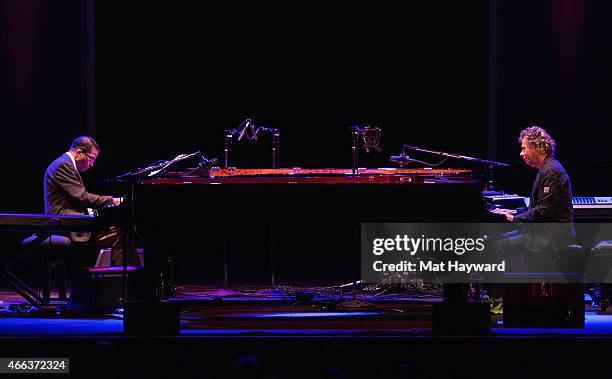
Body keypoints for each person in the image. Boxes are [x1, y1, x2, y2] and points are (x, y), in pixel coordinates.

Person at [485, 126, 574, 303]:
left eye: (524, 148)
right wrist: (514, 212)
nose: (521, 153)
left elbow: (545, 209)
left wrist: (516, 218)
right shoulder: (546, 169)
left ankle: (499, 299)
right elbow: (539, 207)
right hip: (542, 231)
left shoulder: (552, 172)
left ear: (537, 148)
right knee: (493, 241)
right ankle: (504, 296)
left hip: (551, 235)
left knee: (496, 247)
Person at [44, 136, 140, 266]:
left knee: (117, 228)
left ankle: (116, 280)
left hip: (73, 221)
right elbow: (81, 197)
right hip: (65, 224)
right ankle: (130, 282)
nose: (92, 164)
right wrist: (112, 200)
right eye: (91, 158)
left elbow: (78, 199)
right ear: (79, 153)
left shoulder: (66, 164)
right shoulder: (63, 166)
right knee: (120, 232)